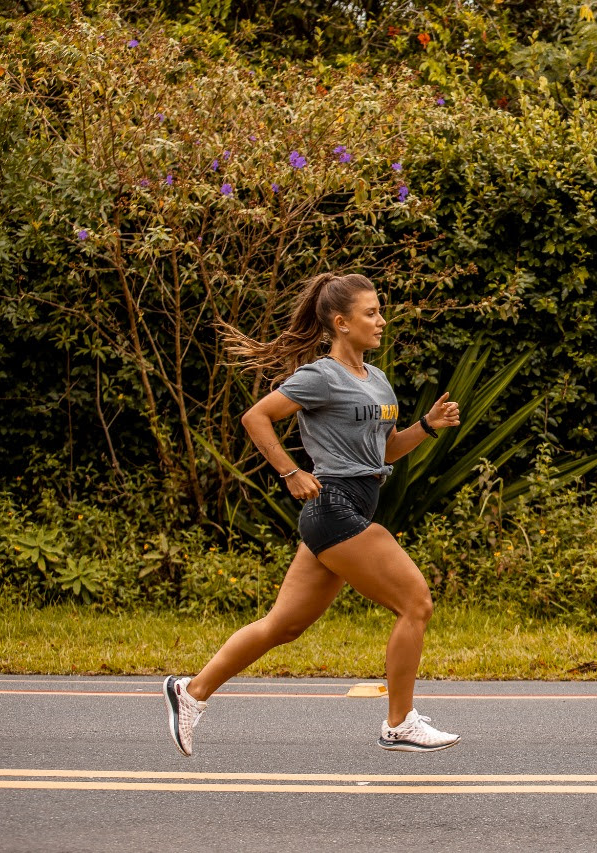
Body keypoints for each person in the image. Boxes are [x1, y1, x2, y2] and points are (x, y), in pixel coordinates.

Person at [163, 272, 461, 756]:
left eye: (380, 310)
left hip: (356, 500)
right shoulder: (320, 376)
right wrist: (288, 472)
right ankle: (399, 722)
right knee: (416, 602)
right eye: (371, 313)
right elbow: (255, 417)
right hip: (334, 506)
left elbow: (383, 452)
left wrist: (426, 426)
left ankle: (190, 691)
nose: (381, 321)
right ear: (341, 323)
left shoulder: (377, 379)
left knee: (283, 626)